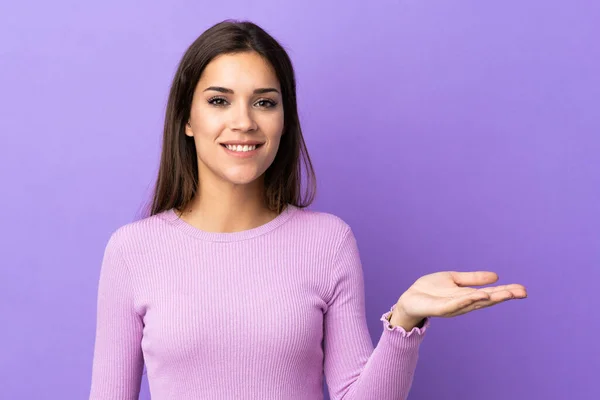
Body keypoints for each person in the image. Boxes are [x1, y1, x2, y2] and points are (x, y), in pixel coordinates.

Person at [89, 19, 527, 400]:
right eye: (219, 100)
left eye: (264, 102)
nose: (244, 121)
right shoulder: (133, 251)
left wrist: (404, 322)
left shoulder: (327, 241)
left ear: (284, 119)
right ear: (187, 118)